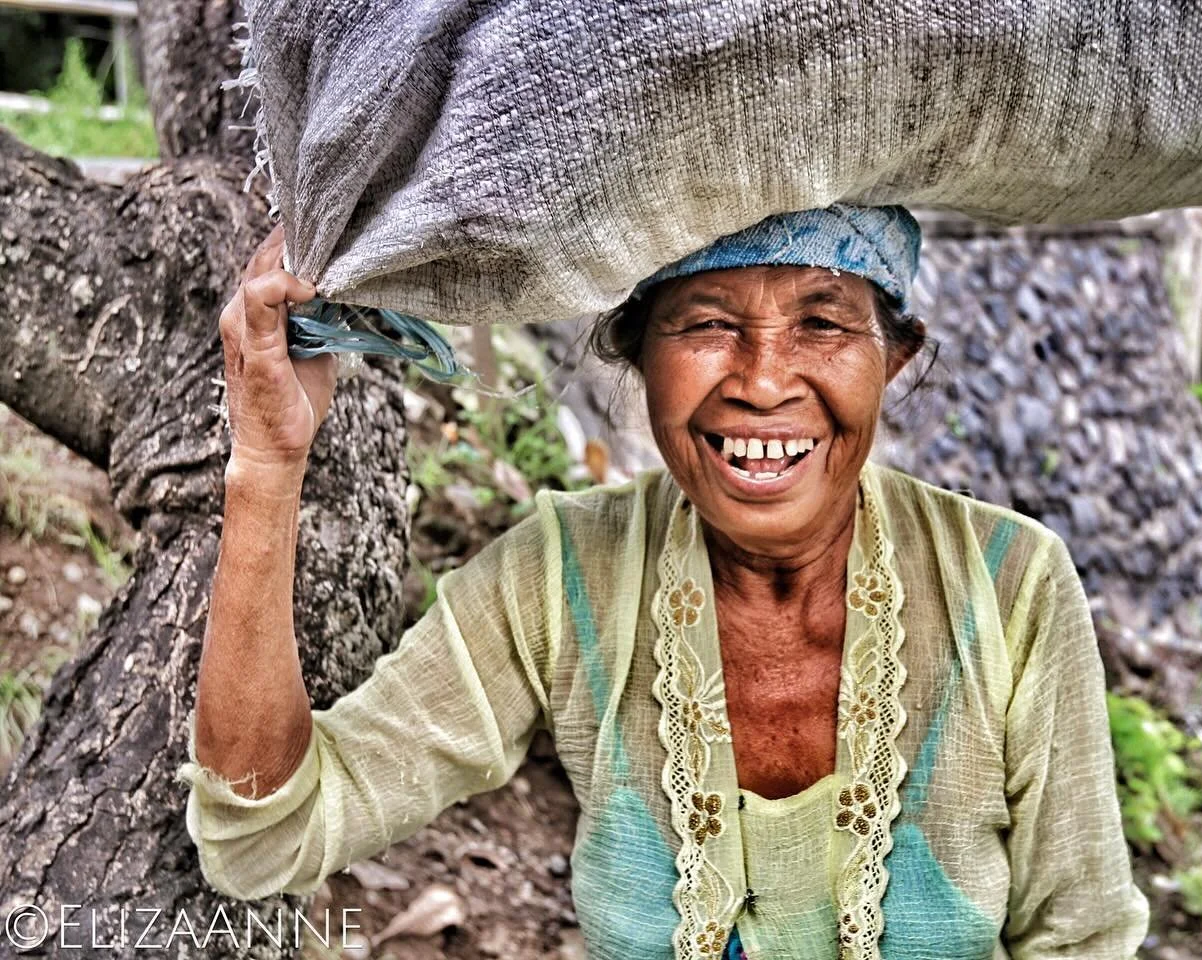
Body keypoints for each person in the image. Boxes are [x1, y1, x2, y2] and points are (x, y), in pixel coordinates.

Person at [180, 203, 1150, 959]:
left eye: (823, 321)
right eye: (706, 324)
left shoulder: (1009, 585)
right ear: (636, 355)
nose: (765, 381)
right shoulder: (563, 577)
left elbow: (1083, 938)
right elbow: (269, 834)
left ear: (893, 360)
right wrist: (266, 465)